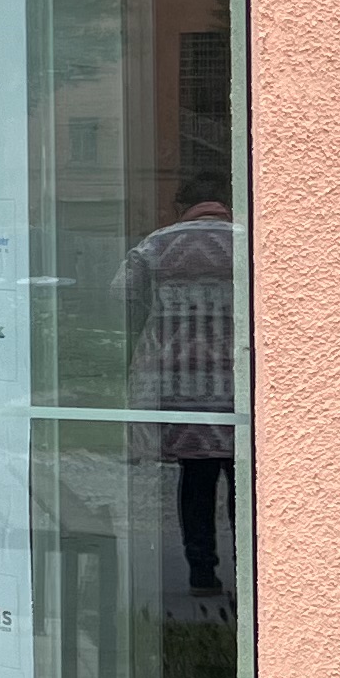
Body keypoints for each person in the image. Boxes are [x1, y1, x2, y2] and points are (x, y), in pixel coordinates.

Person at [123, 177, 241, 598]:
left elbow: (121, 293)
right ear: (224, 204)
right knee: (245, 484)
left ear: (181, 205)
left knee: (196, 480)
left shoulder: (157, 245)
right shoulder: (249, 242)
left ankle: (202, 574)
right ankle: (250, 576)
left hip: (182, 384)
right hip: (240, 385)